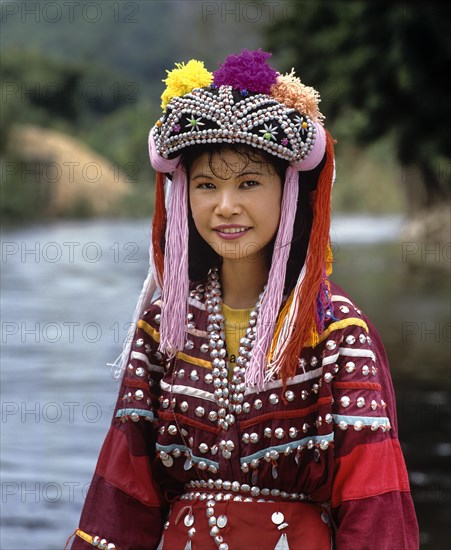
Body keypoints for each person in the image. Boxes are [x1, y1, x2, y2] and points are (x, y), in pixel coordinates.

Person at [67, 49, 419, 549]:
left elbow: (374, 502)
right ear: (183, 196)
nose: (225, 206)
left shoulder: (335, 330)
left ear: (289, 192)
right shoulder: (164, 324)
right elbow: (123, 500)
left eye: (249, 183)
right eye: (206, 185)